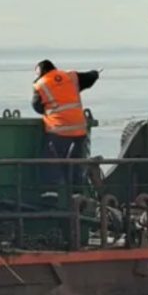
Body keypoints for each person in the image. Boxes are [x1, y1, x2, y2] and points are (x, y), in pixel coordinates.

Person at [31, 59, 100, 194]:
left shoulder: (40, 85)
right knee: (76, 166)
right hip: (79, 131)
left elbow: (37, 106)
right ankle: (78, 196)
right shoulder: (71, 77)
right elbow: (90, 78)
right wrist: (96, 73)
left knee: (50, 163)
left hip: (58, 131)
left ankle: (51, 195)